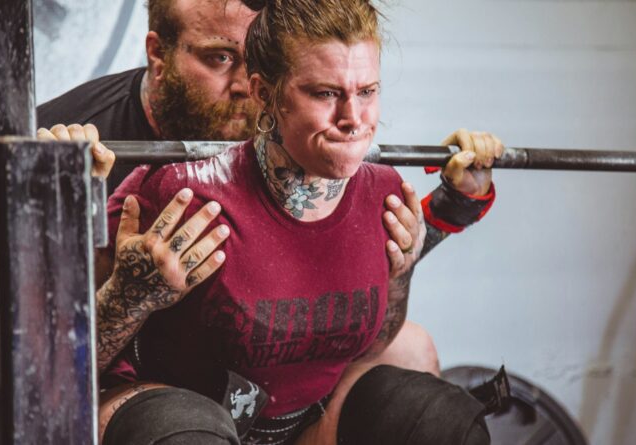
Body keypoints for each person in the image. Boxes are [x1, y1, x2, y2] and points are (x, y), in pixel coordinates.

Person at [91, 0, 501, 443]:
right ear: (264, 93)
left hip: (304, 421)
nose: (353, 120)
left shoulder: (381, 190)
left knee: (439, 422)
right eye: (325, 93)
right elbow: (58, 358)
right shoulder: (181, 192)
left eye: (367, 91)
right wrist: (128, 297)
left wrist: (405, 267)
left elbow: (373, 341)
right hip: (177, 410)